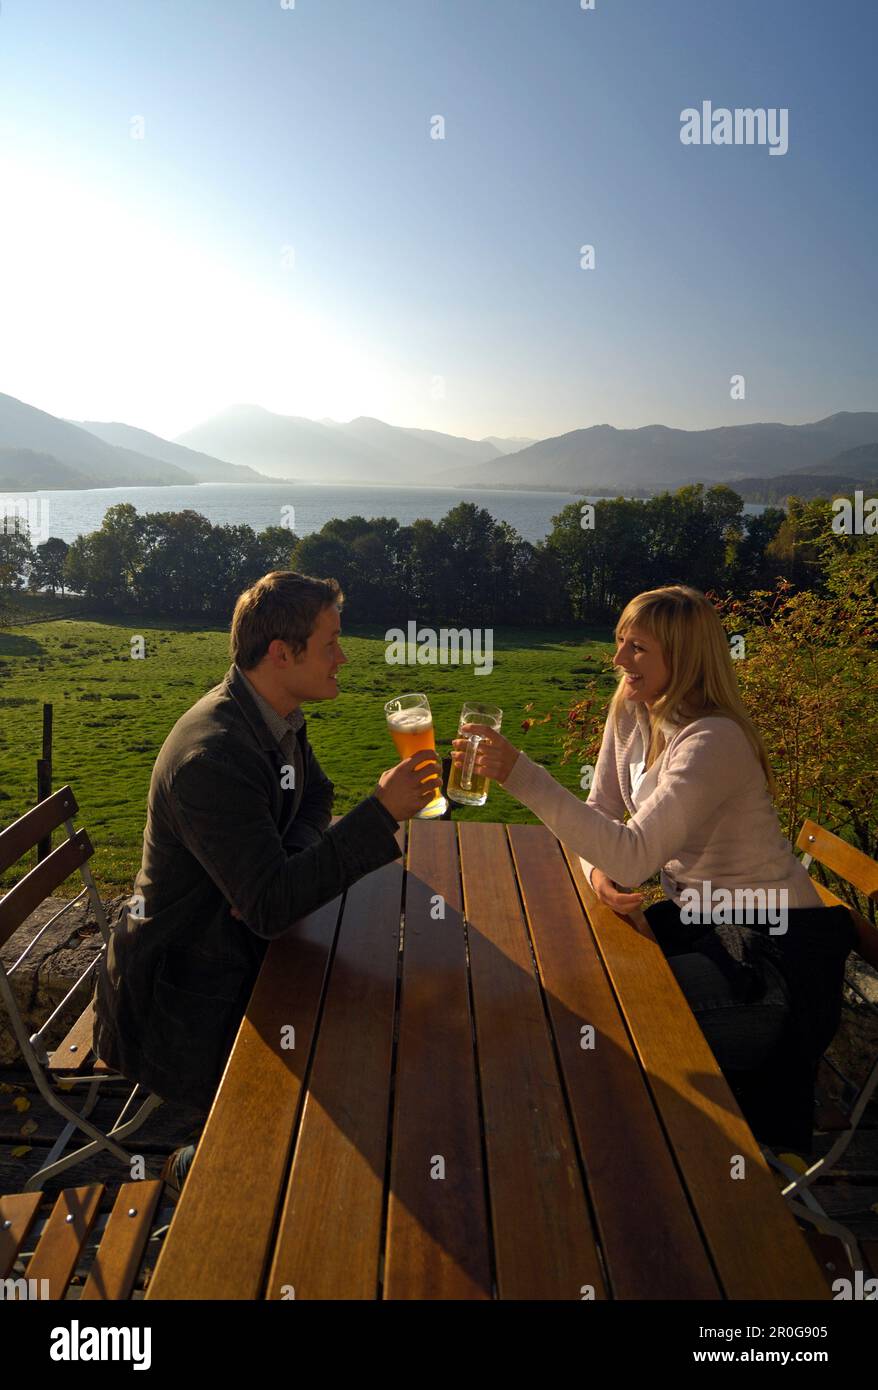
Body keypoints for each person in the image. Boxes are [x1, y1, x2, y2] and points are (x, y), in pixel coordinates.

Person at [452, 583, 856, 1153]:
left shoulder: (713, 741)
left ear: (684, 657)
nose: (618, 660)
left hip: (769, 965)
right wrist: (598, 876)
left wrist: (522, 773)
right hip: (702, 927)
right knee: (561, 992)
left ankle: (642, 1181)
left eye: (636, 647)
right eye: (620, 642)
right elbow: (601, 818)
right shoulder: (633, 709)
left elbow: (633, 855)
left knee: (592, 1026)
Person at [93, 570, 440, 1189]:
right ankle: (208, 1169)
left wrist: (282, 865)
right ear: (283, 654)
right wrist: (380, 814)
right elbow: (272, 909)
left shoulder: (271, 713)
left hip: (234, 956)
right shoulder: (215, 758)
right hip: (179, 999)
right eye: (331, 641)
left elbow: (315, 798)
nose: (343, 655)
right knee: (352, 1050)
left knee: (378, 1014)